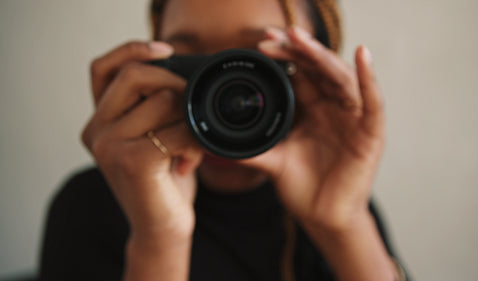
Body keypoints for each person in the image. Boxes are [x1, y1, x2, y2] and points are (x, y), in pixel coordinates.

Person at [39, 0, 411, 280]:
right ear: (152, 63)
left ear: (318, 73)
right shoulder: (89, 205)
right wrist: (158, 239)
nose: (221, 89)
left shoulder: (339, 201)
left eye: (260, 59)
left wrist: (344, 224)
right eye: (191, 59)